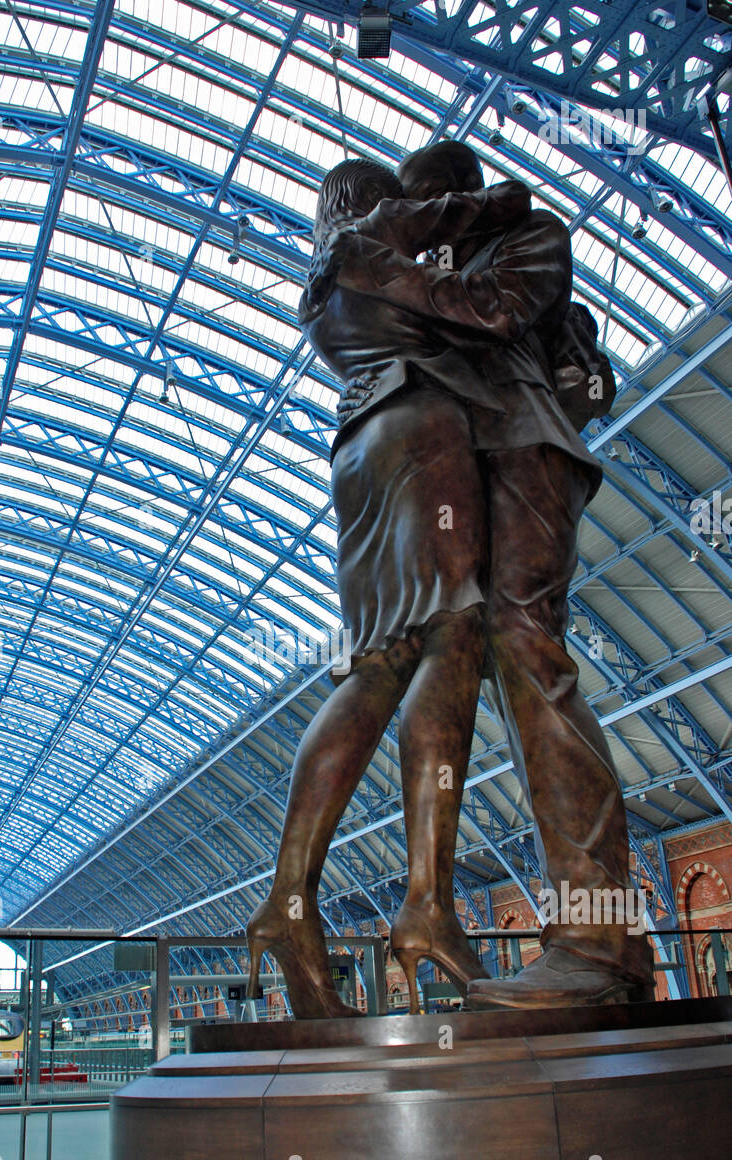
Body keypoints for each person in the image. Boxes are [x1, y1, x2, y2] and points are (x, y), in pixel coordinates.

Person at [315, 140, 654, 1010]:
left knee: (529, 651)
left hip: (530, 450)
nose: (430, 229)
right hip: (471, 457)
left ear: (469, 198)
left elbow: (497, 313)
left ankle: (598, 941)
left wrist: (372, 265)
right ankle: (587, 939)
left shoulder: (529, 238)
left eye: (436, 205)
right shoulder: (432, 279)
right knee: (485, 653)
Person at [246, 158, 530, 1017]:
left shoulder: (324, 286)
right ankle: (428, 901)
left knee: (377, 660)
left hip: (358, 457)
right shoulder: (378, 245)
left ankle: (290, 901)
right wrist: (493, 205)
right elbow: (469, 276)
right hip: (422, 437)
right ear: (377, 207)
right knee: (454, 631)